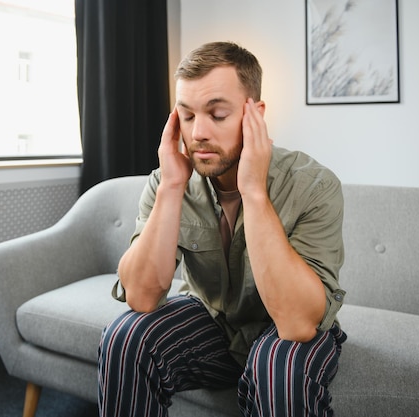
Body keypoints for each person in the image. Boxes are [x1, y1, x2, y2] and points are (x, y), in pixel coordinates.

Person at [98, 41, 347, 417]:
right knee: (126, 337)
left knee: (279, 366)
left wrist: (253, 192)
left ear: (255, 115)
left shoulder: (314, 185)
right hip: (212, 323)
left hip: (285, 330)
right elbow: (142, 297)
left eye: (217, 115)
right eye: (187, 115)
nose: (198, 133)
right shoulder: (166, 181)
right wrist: (170, 188)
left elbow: (297, 323)